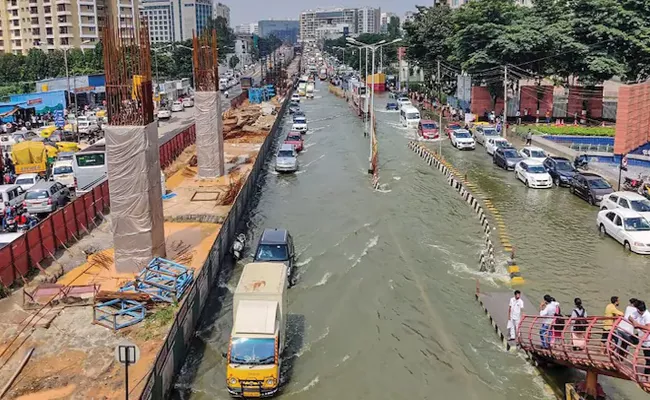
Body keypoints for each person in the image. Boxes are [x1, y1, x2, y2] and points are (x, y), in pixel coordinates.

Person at [630, 301, 650, 378]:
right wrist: (633, 321)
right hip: (643, 339)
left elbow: (649, 328)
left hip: (648, 341)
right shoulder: (637, 313)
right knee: (647, 358)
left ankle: (646, 376)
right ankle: (646, 375)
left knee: (648, 360)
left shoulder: (647, 316)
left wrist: (638, 325)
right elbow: (630, 317)